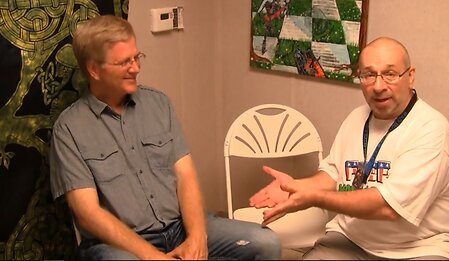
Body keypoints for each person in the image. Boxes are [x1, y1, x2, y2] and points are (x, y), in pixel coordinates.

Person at [49, 15, 281, 260]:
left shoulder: (158, 103)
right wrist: (153, 256)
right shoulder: (70, 129)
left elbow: (185, 175)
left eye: (137, 57)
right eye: (124, 62)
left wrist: (196, 237)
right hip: (118, 245)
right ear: (94, 69)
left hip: (180, 227)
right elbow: (88, 213)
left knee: (266, 242)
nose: (136, 68)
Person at [250, 37, 449, 260]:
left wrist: (314, 197)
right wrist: (295, 187)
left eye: (390, 74)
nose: (378, 86)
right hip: (352, 241)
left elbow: (388, 208)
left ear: (410, 76)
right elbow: (333, 174)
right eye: (368, 75)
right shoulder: (356, 118)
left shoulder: (430, 127)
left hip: (420, 248)